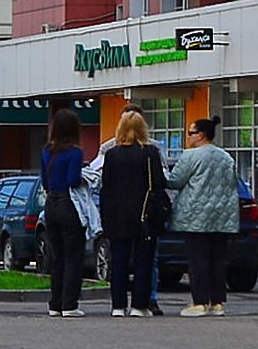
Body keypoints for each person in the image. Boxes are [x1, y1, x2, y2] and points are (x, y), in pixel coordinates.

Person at [95, 110, 169, 318]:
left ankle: (118, 306)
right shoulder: (150, 153)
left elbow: (105, 187)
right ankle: (139, 306)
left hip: (117, 217)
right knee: (143, 263)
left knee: (118, 263)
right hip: (144, 216)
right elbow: (158, 184)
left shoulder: (111, 155)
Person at [168, 117, 242, 316]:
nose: (188, 136)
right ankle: (217, 303)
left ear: (200, 134)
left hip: (196, 216)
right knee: (217, 260)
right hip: (222, 216)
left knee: (198, 260)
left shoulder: (190, 156)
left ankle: (199, 302)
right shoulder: (226, 157)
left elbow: (175, 181)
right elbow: (232, 182)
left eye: (191, 132)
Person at [38, 108, 88, 317]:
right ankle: (70, 304)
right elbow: (73, 180)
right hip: (69, 204)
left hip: (51, 204)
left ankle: (55, 304)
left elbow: (44, 181)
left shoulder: (47, 151)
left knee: (56, 256)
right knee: (74, 256)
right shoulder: (75, 153)